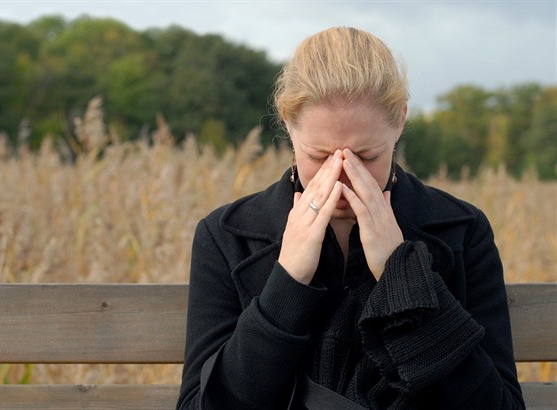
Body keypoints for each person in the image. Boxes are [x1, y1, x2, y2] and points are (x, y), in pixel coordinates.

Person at [176, 27, 525, 409]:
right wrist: (288, 283)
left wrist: (403, 280)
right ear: (288, 126)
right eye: (319, 157)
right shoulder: (227, 235)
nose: (342, 176)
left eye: (367, 157)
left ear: (400, 122)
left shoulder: (461, 230)